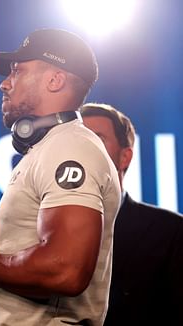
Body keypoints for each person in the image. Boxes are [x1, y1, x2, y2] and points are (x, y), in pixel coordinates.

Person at [0, 28, 121, 325]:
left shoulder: (69, 146)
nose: (5, 84)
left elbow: (66, 270)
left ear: (55, 80)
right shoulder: (50, 147)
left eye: (17, 71)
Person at [81, 103, 183, 325]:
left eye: (97, 139)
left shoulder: (171, 232)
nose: (82, 149)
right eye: (78, 140)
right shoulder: (38, 229)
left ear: (125, 157)